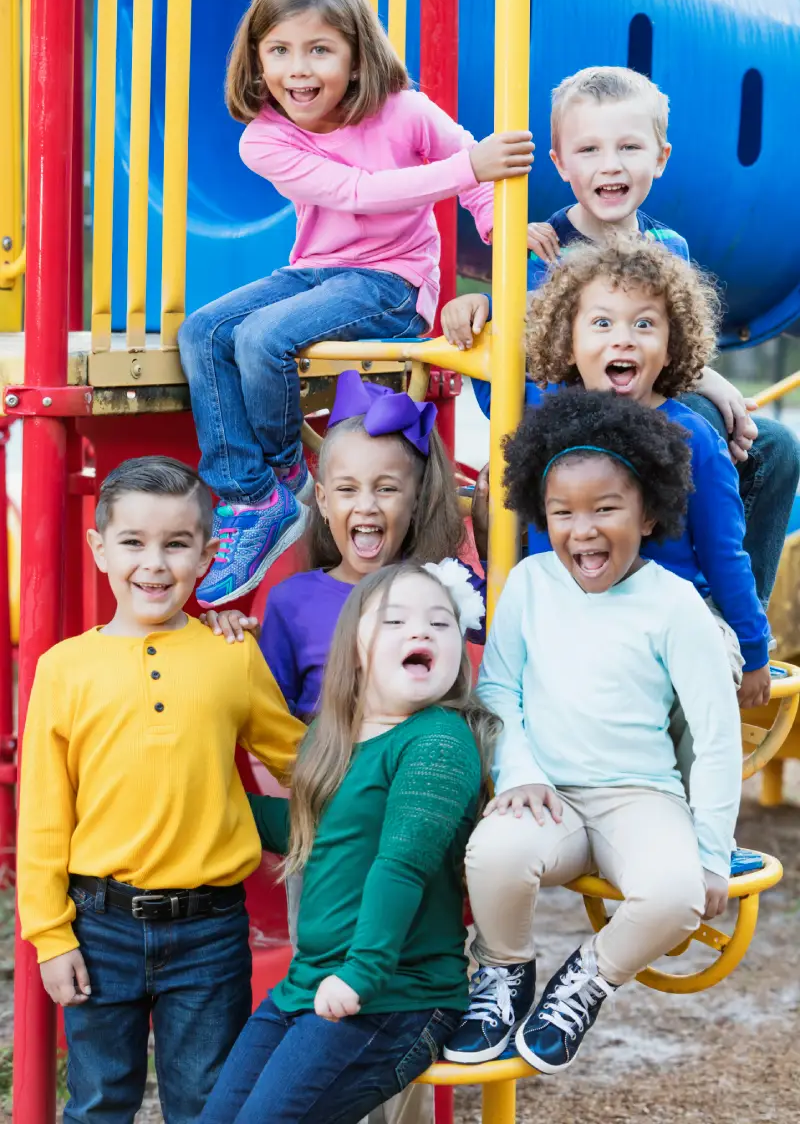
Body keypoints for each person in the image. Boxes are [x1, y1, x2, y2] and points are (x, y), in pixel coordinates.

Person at [178, 0, 533, 609]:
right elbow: (358, 194)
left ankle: (283, 473)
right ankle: (254, 494)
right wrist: (465, 168)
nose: (298, 69)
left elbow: (479, 177)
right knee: (202, 331)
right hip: (316, 269)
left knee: (262, 338)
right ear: (256, 63)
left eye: (319, 49)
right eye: (279, 51)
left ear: (356, 54)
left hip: (394, 283)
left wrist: (499, 226)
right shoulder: (265, 139)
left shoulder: (405, 112)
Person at [443, 389, 742, 1071]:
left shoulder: (673, 605)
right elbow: (499, 687)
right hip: (548, 791)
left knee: (677, 896)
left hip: (640, 796)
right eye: (562, 513)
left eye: (606, 509)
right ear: (540, 515)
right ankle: (503, 972)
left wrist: (713, 848)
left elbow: (717, 734)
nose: (582, 530)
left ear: (648, 511)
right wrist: (518, 772)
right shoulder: (528, 584)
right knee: (493, 856)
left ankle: (587, 980)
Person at [442, 66, 800, 606]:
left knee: (773, 447)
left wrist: (713, 382)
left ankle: (727, 612)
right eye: (589, 150)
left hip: (652, 413)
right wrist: (480, 308)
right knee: (698, 428)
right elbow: (521, 351)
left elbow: (673, 353)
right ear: (560, 164)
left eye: (629, 147)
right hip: (568, 432)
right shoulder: (538, 250)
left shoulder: (667, 247)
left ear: (660, 157)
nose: (610, 165)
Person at [16, 457, 306, 1123]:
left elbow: (300, 760)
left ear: (207, 556)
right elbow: (43, 817)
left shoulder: (230, 655)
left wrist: (391, 755)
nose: (154, 563)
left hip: (209, 931)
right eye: (133, 543)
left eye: (176, 545)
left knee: (207, 1105)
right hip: (98, 928)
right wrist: (51, 936)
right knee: (97, 1102)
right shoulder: (64, 670)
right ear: (99, 549)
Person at [198, 563, 497, 1123]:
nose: (422, 632)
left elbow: (401, 865)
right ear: (355, 647)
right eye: (396, 621)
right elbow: (317, 834)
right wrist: (215, 801)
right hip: (308, 983)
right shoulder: (337, 741)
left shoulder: (438, 739)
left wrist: (363, 972)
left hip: (396, 995)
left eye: (441, 622)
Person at [514, 237, 772, 711]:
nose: (623, 337)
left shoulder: (694, 439)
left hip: (675, 619)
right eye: (601, 322)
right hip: (572, 613)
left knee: (701, 663)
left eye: (645, 324)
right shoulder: (546, 423)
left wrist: (753, 651)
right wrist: (476, 306)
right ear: (568, 343)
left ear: (671, 349)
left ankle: (685, 781)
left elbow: (724, 555)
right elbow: (491, 371)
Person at [204, 370, 486, 721]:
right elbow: (270, 723)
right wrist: (230, 639)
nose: (366, 505)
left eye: (386, 489)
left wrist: (490, 541)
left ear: (416, 499)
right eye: (347, 489)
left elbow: (503, 629)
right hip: (330, 774)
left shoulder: (443, 586)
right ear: (322, 501)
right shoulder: (291, 602)